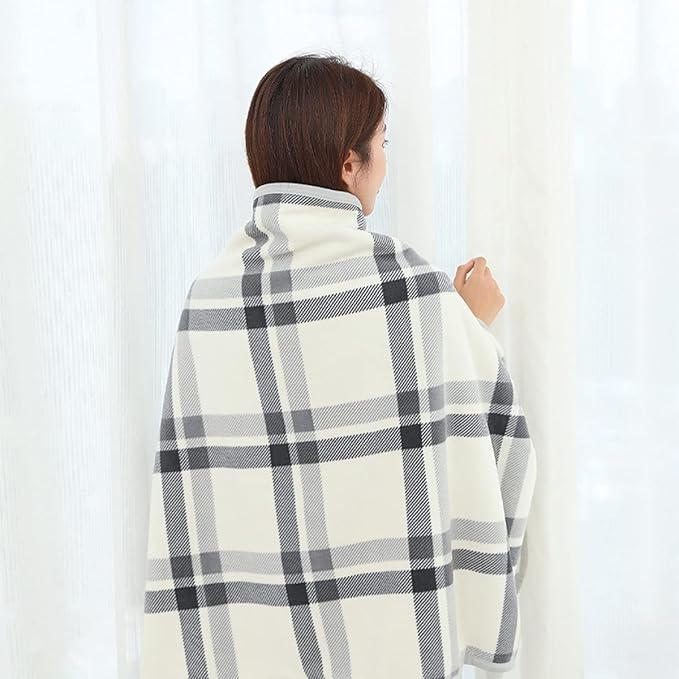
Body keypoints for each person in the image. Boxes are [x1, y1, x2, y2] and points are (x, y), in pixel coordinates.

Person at [140, 52, 536, 679]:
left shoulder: (208, 297)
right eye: (383, 144)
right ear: (349, 165)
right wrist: (469, 328)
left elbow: (197, 493)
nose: (386, 163)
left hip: (252, 647)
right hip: (393, 643)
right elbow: (496, 449)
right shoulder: (408, 288)